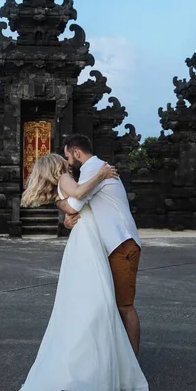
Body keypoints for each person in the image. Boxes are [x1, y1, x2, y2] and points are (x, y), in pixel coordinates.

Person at [13, 151, 148, 391]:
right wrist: (101, 175)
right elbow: (76, 196)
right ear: (56, 166)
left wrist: (62, 207)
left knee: (86, 302)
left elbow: (72, 203)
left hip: (86, 241)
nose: (68, 163)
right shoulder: (65, 178)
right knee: (98, 301)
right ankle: (98, 367)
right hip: (86, 243)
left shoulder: (61, 185)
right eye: (62, 160)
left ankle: (87, 367)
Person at [57, 134, 143, 357]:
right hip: (113, 245)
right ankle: (118, 359)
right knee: (108, 305)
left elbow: (74, 204)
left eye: (68, 156)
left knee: (124, 306)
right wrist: (69, 221)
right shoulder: (96, 168)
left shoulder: (92, 169)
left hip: (121, 244)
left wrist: (57, 200)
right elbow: (84, 208)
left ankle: (132, 362)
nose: (67, 162)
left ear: (77, 153)